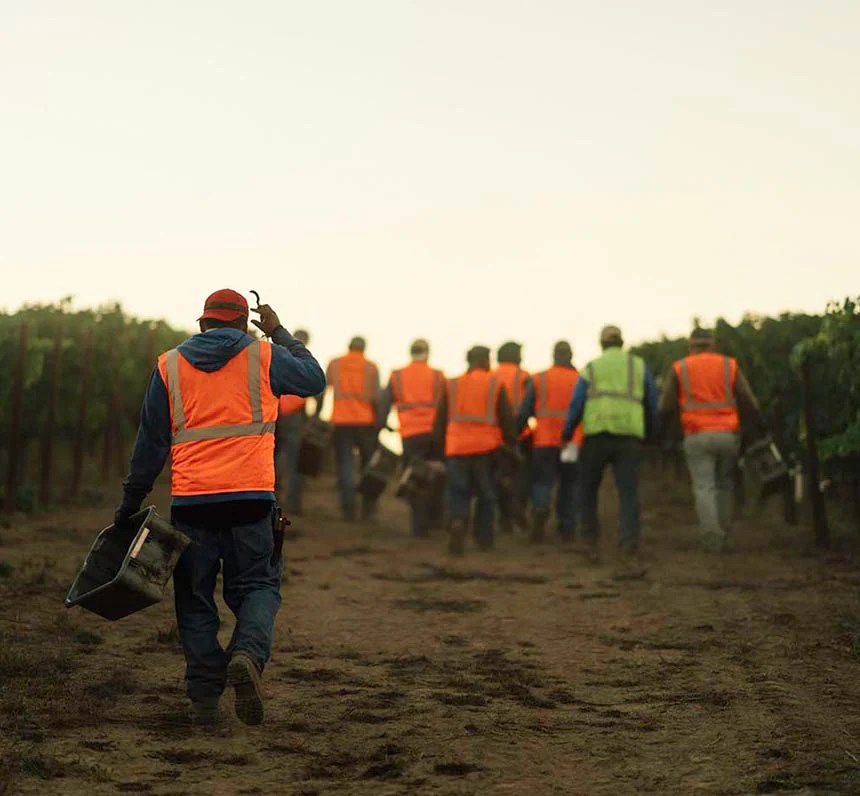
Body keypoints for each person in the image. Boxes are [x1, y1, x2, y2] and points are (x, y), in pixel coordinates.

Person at [114, 289, 325, 726]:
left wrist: (129, 502)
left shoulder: (169, 365)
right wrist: (279, 332)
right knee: (258, 588)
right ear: (245, 324)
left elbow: (150, 444)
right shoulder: (264, 356)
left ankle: (204, 701)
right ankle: (247, 654)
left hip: (192, 504)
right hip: (251, 500)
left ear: (202, 323)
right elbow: (313, 380)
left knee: (193, 601)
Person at [659, 327, 765, 552]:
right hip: (727, 435)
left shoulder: (680, 367)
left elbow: (665, 406)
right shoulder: (729, 365)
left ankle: (711, 538)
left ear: (691, 346)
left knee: (704, 486)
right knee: (724, 484)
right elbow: (748, 399)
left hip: (696, 434)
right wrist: (756, 425)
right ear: (713, 344)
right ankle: (724, 531)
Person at [562, 325, 658, 560]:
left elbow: (576, 403)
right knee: (628, 491)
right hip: (629, 436)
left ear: (601, 344)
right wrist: (652, 433)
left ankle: (589, 540)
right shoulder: (638, 366)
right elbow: (652, 402)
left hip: (596, 435)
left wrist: (567, 432)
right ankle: (628, 543)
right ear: (622, 342)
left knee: (587, 489)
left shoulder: (592, 367)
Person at [432, 346, 515, 554]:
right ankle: (484, 538)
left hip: (456, 448)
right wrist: (511, 446)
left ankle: (458, 521)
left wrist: (438, 449)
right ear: (485, 360)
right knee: (486, 495)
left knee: (457, 490)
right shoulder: (495, 384)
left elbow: (440, 419)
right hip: (485, 448)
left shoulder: (452, 385)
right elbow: (506, 419)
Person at [377, 339, 445, 537]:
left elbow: (385, 402)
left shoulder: (397, 375)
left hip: (410, 434)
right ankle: (435, 521)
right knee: (436, 476)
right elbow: (445, 405)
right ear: (428, 352)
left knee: (415, 479)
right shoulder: (438, 375)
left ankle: (419, 526)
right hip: (434, 433)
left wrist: (381, 425)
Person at [517, 341, 583, 543]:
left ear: (553, 355)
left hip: (544, 441)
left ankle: (540, 508)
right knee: (569, 484)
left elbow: (525, 411)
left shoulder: (539, 379)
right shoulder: (580, 380)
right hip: (570, 443)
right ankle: (567, 528)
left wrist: (517, 435)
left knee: (542, 481)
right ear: (571, 355)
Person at [323, 337, 381, 521]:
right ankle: (368, 509)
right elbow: (377, 398)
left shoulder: (335, 363)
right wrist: (379, 422)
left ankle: (348, 508)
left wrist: (317, 416)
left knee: (345, 465)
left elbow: (322, 390)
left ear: (348, 347)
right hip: (366, 422)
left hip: (341, 421)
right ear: (364, 349)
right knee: (368, 467)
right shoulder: (371, 367)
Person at [493, 341, 532, 532]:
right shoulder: (524, 376)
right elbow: (530, 405)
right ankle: (518, 510)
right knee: (521, 477)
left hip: (494, 437)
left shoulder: (490, 376)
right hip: (520, 435)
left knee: (498, 477)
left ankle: (503, 518)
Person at [275, 329, 312, 514]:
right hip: (294, 415)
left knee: (276, 456)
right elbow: (316, 387)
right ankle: (292, 500)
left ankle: (275, 494)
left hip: (275, 413)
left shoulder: (276, 354)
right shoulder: (301, 360)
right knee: (293, 459)